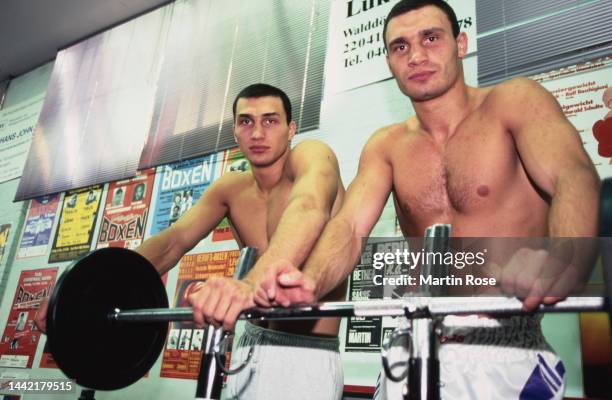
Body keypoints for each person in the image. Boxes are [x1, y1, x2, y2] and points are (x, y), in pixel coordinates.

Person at [258, 1, 600, 399]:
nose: (416, 55)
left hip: (506, 344)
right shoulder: (386, 145)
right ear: (388, 61)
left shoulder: (514, 102)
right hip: (414, 343)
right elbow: (349, 227)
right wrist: (311, 282)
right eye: (400, 47)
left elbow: (572, 177)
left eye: (431, 38)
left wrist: (564, 256)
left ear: (460, 43)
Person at [36, 83, 346, 400]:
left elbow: (309, 207)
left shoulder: (312, 155)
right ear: (235, 132)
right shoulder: (231, 189)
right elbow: (173, 241)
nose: (256, 133)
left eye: (270, 121)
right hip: (251, 343)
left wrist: (249, 285)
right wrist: (78, 292)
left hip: (310, 350)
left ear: (291, 129)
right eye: (246, 122)